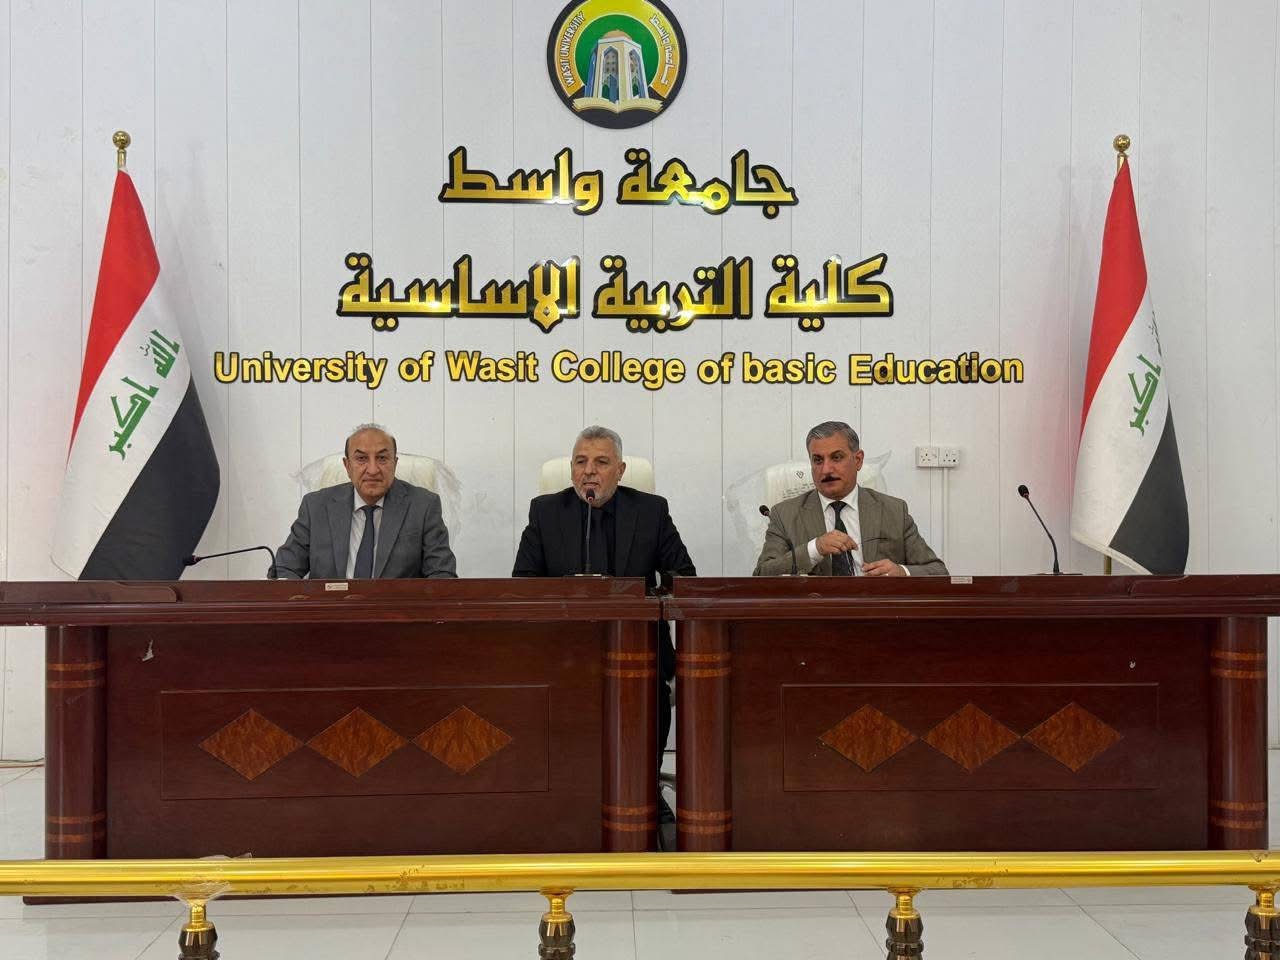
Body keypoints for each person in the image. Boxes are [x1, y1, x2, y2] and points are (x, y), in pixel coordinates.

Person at [513, 426, 695, 829]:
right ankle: (567, 788)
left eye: (601, 462)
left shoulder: (651, 511)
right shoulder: (545, 511)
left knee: (652, 692)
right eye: (581, 462)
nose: (589, 471)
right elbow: (523, 582)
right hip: (565, 648)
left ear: (621, 470)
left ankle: (647, 787)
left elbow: (683, 576)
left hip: (639, 647)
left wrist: (650, 595)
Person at [755, 421, 947, 577]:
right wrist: (814, 549)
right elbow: (762, 575)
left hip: (874, 609)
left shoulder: (893, 510)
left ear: (858, 460)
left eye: (836, 458)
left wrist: (901, 572)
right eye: (818, 460)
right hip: (815, 610)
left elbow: (938, 572)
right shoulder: (785, 515)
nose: (826, 470)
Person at [274, 423, 457, 579]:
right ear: (347, 466)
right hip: (331, 609)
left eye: (382, 458)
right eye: (361, 459)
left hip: (396, 609)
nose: (372, 470)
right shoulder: (316, 506)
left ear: (395, 463)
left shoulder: (423, 506)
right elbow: (285, 569)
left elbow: (442, 575)